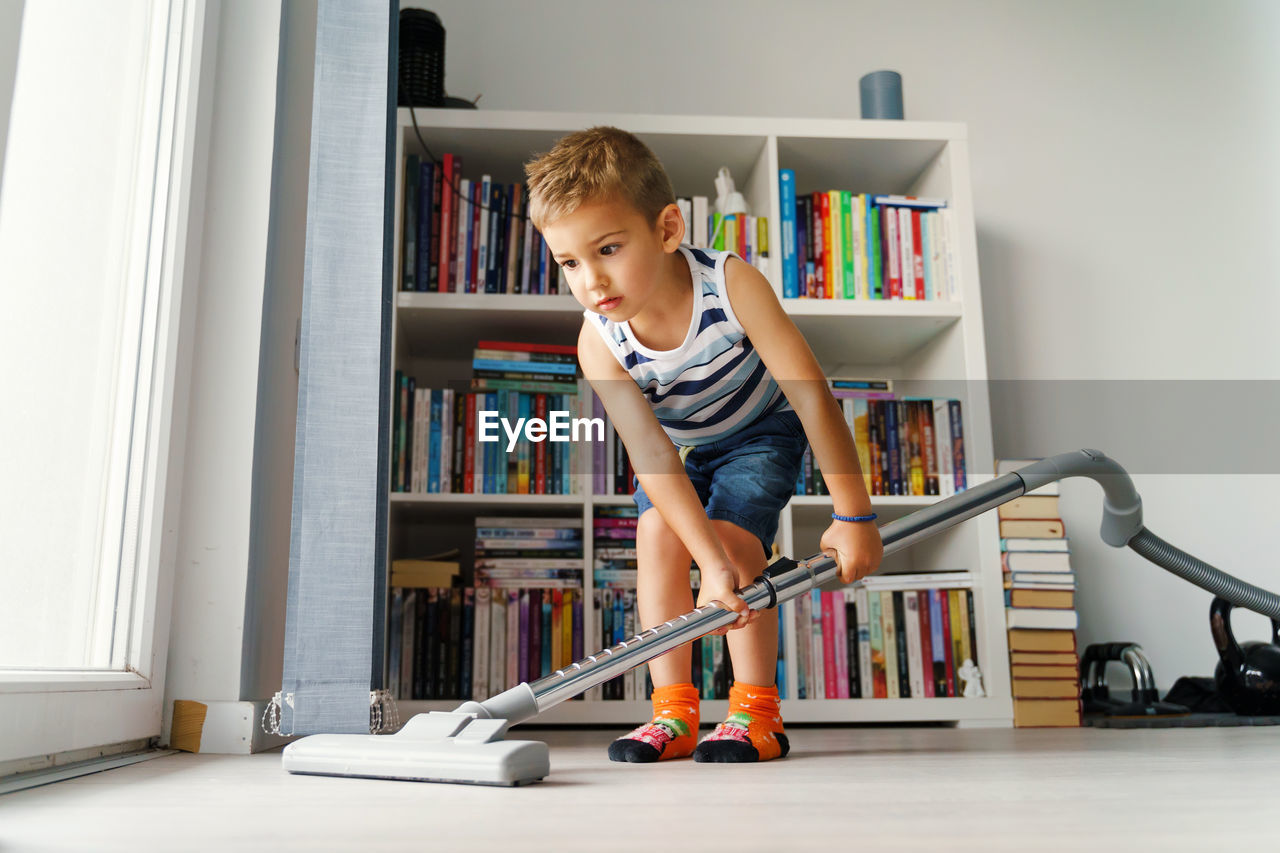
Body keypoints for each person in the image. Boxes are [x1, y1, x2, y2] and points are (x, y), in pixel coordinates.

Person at [525, 126, 884, 763]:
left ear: (667, 229)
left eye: (608, 248)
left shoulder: (731, 285)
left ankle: (756, 714)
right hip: (681, 451)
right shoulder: (599, 341)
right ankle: (674, 715)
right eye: (570, 263)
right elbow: (654, 456)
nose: (591, 280)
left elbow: (811, 397)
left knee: (737, 548)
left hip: (760, 431)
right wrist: (704, 566)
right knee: (656, 537)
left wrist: (853, 517)